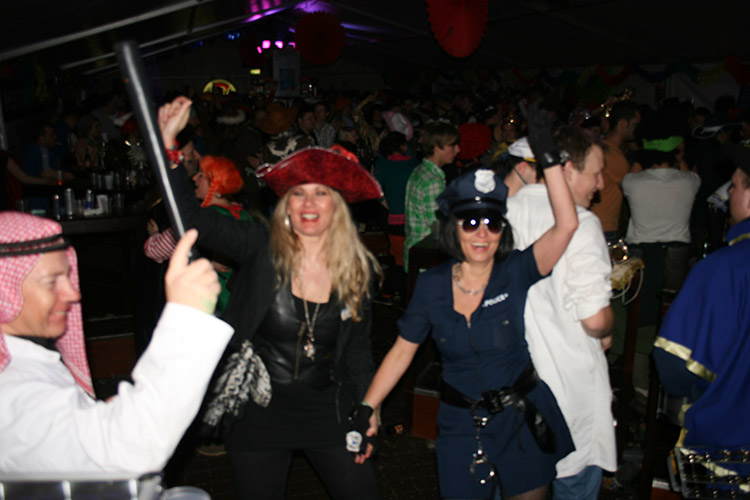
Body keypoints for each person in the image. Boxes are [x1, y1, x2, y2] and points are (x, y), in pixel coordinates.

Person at [158, 96, 382, 500]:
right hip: (258, 415)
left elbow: (358, 352)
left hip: (328, 411)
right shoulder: (260, 245)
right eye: (298, 194)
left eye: (321, 193)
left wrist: (371, 407)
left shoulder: (356, 270)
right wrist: (170, 149)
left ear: (337, 207)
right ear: (285, 205)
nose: (309, 204)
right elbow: (189, 219)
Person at [363, 104, 578, 500]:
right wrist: (369, 406)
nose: (482, 233)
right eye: (471, 222)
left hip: (519, 416)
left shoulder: (516, 271)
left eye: (492, 223)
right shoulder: (432, 286)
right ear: (454, 229)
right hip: (461, 422)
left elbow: (566, 225)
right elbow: (402, 350)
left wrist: (547, 155)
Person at [0, 212, 233, 475]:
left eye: (67, 276)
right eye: (51, 281)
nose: (73, 293)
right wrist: (186, 316)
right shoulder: (11, 390)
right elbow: (129, 449)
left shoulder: (19, 358)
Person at [507, 127, 616, 500]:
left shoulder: (502, 211)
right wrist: (608, 326)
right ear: (566, 169)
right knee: (573, 483)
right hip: (567, 390)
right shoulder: (582, 223)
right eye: (595, 173)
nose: (601, 185)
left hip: (511, 385)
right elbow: (594, 319)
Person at [653, 143, 750, 450]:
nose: (729, 193)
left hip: (729, 440)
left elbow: (674, 361)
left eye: (736, 186)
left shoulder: (724, 268)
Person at [144, 155, 250, 315]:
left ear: (216, 188)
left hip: (214, 306)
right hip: (244, 305)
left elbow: (154, 250)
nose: (194, 178)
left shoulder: (203, 221)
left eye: (201, 176)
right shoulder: (244, 214)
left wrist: (154, 236)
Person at [403, 121, 460, 272]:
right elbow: (438, 227)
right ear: (437, 148)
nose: (458, 150)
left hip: (417, 256)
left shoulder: (420, 170)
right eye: (452, 146)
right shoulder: (432, 181)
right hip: (426, 260)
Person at [590, 100, 640, 242]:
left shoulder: (602, 147)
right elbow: (634, 189)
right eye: (635, 125)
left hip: (598, 224)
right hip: (604, 227)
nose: (638, 129)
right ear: (623, 124)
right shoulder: (614, 156)